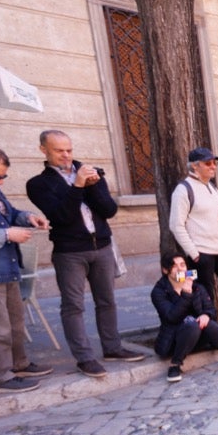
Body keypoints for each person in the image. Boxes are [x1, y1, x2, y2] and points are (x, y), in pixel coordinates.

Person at [25, 130, 144, 378]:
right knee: (73, 306)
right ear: (43, 150)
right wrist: (78, 185)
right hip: (70, 252)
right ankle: (85, 358)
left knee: (107, 301)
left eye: (69, 149)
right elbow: (62, 216)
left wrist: (93, 185)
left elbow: (109, 210)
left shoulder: (91, 172)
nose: (66, 155)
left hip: (101, 246)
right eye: (59, 151)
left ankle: (112, 348)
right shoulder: (38, 184)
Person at [169, 147, 218, 343]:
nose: (213, 166)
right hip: (201, 252)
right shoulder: (183, 190)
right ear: (195, 166)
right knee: (205, 295)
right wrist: (194, 253)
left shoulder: (212, 187)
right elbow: (175, 225)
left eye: (214, 162)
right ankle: (210, 334)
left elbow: (215, 216)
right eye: (208, 163)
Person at [0, 147, 53, 392]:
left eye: (3, 177)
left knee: (16, 322)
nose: (0, 183)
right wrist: (8, 234)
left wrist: (28, 217)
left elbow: (11, 213)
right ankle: (0, 375)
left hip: (9, 267)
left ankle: (19, 363)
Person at [150, 253, 218, 383]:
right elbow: (171, 317)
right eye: (174, 266)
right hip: (174, 340)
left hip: (198, 337)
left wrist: (206, 315)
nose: (180, 269)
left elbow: (210, 308)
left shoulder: (197, 286)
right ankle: (175, 365)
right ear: (165, 270)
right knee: (192, 325)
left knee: (209, 323)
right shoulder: (159, 292)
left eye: (182, 265)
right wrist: (186, 295)